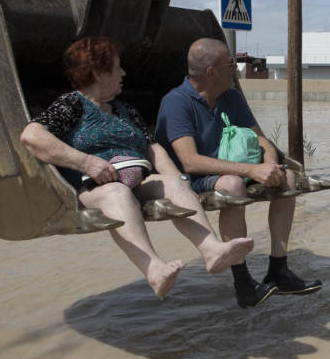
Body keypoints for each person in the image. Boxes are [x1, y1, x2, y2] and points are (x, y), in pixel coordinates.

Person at [20, 36, 254, 300]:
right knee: (117, 193)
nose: (123, 73)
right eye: (117, 67)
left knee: (176, 183)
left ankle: (211, 250)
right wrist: (86, 162)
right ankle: (154, 269)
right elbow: (31, 136)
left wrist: (178, 179)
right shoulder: (72, 105)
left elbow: (153, 149)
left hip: (137, 179)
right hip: (93, 186)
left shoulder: (125, 110)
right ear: (98, 72)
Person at [155, 38, 322, 309]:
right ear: (211, 72)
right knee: (232, 185)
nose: (235, 69)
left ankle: (278, 270)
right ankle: (243, 284)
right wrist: (251, 170)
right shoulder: (176, 102)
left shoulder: (231, 96)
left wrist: (271, 164)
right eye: (230, 64)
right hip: (194, 179)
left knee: (288, 178)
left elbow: (261, 139)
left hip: (236, 167)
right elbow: (190, 162)